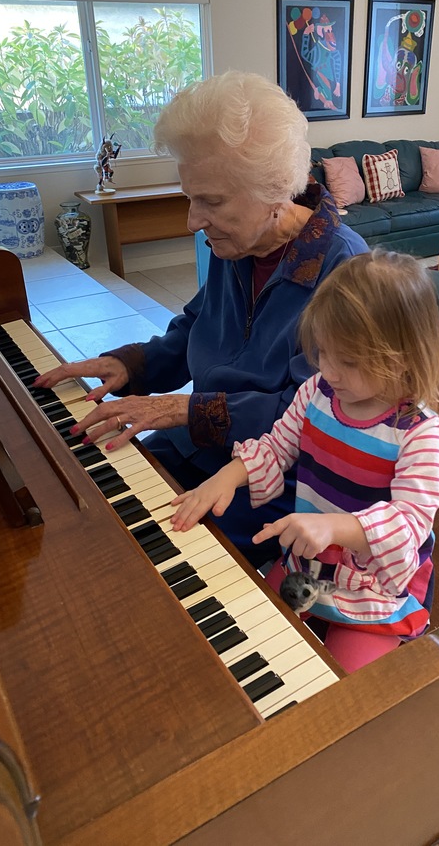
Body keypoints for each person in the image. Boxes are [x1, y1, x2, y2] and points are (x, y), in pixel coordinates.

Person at [33, 71, 368, 567]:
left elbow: (316, 417)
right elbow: (197, 325)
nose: (192, 220)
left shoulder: (346, 273)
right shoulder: (238, 243)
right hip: (198, 446)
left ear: (274, 191)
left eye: (210, 201)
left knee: (153, 564)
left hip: (273, 482)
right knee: (84, 502)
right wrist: (130, 365)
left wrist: (178, 410)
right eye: (191, 196)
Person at [170, 250, 439, 672]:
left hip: (372, 584)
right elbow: (279, 446)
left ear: (403, 357)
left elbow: (409, 524)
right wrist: (229, 474)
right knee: (249, 635)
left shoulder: (417, 432)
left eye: (349, 362)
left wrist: (334, 526)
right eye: (324, 352)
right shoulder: (317, 393)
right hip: (308, 562)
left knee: (342, 689)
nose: (329, 371)